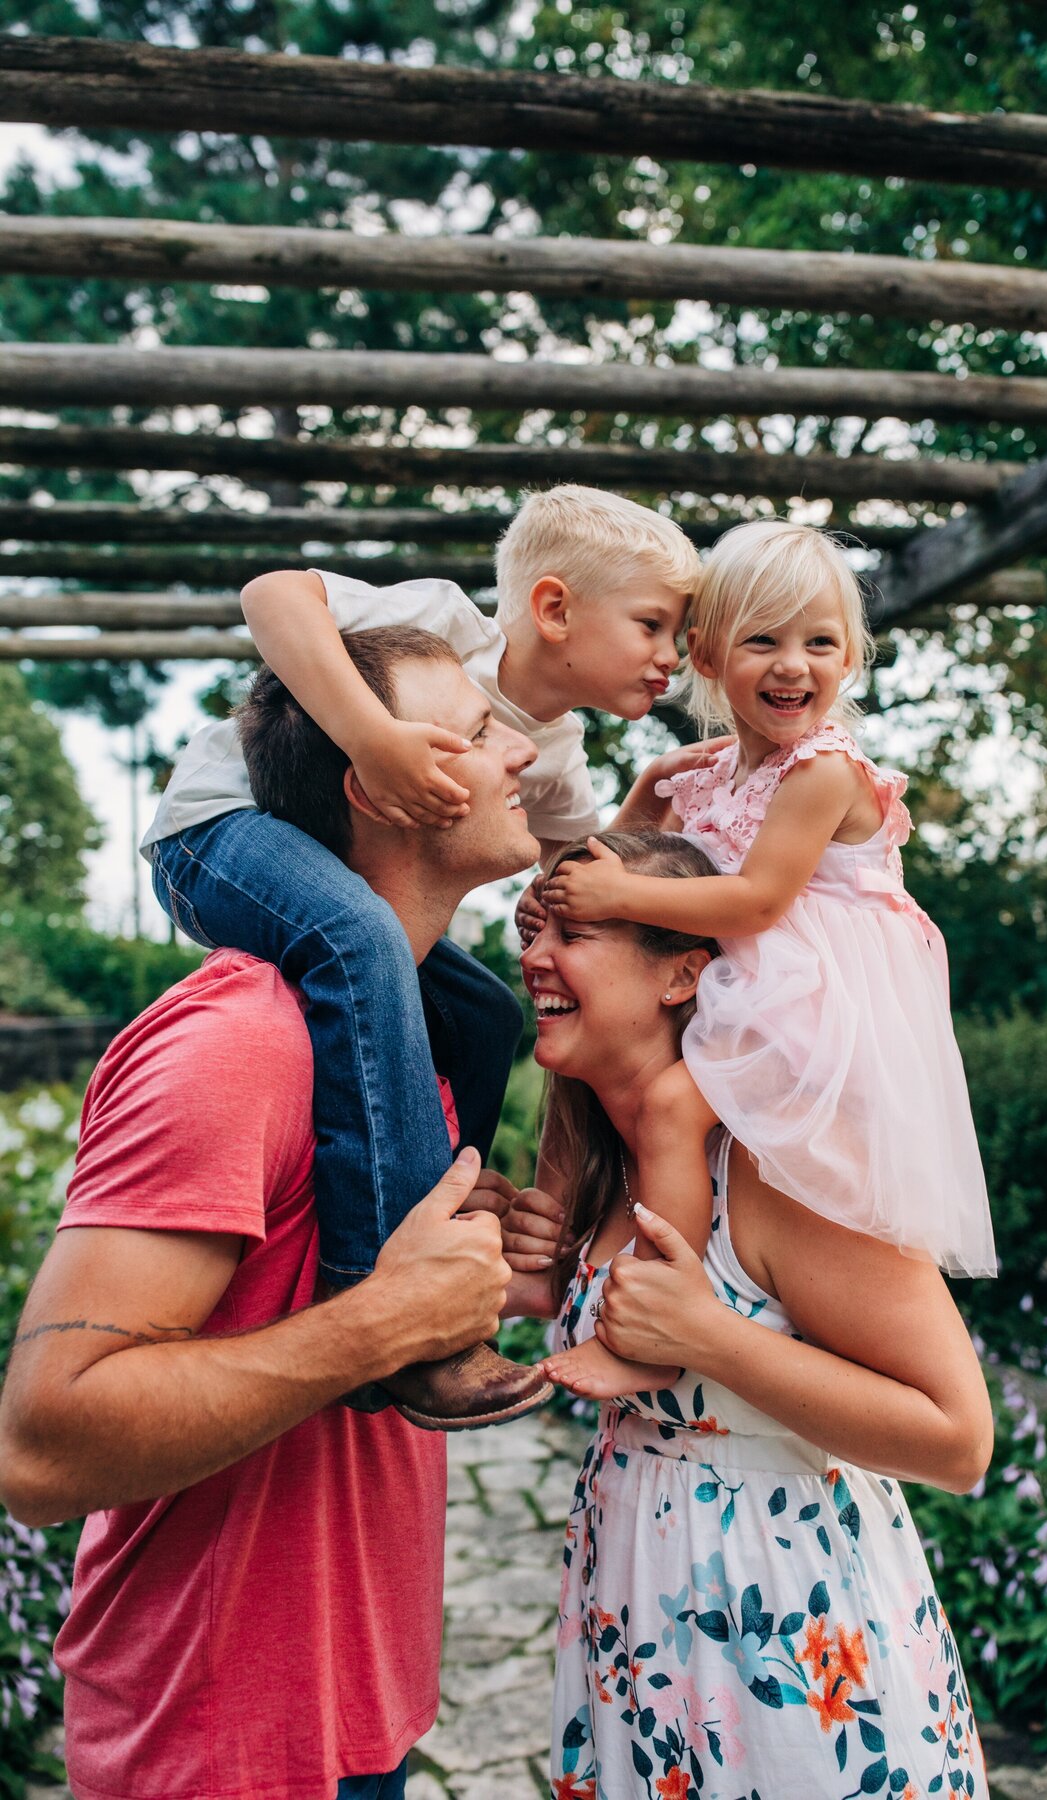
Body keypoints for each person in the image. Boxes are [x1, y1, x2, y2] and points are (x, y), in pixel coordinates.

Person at [0, 625, 546, 1800]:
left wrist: (485, 1273)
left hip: (356, 1719)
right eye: (479, 731)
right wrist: (385, 1323)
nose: (523, 752)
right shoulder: (242, 1044)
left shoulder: (402, 1043)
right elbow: (42, 1450)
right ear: (379, 789)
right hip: (216, 1749)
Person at [142, 485, 703, 1427]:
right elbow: (273, 595)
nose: (671, 656)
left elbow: (568, 880)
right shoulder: (443, 627)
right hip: (222, 831)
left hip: (342, 877)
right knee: (361, 937)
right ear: (554, 608)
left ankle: (453, 1207)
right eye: (653, 625)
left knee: (483, 1013)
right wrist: (373, 738)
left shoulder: (557, 753)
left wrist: (648, 815)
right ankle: (386, 1300)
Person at [510, 829, 994, 1800]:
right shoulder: (602, 1160)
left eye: (574, 932)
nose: (534, 958)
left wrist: (709, 1339)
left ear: (683, 973)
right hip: (638, 1613)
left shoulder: (775, 1169)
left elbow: (958, 1440)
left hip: (791, 1641)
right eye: (533, 931)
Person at [541, 519, 995, 1397]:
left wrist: (619, 897)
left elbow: (755, 902)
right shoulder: (716, 775)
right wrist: (644, 795)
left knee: (669, 1108)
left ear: (849, 657)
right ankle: (549, 1255)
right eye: (763, 641)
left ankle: (658, 1321)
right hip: (748, 986)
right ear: (708, 656)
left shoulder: (824, 771)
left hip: (815, 1003)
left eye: (819, 643)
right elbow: (633, 855)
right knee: (582, 1068)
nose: (794, 665)